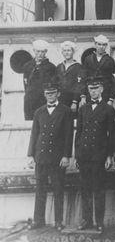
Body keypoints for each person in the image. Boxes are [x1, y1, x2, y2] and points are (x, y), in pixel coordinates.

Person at [27, 83, 73, 231]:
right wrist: (31, 155)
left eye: (53, 93)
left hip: (57, 158)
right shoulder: (39, 112)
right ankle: (38, 220)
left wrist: (66, 155)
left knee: (58, 189)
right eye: (48, 93)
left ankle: (59, 221)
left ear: (58, 94)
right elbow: (34, 134)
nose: (50, 96)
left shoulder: (65, 111)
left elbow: (68, 135)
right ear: (44, 95)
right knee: (40, 189)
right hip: (41, 156)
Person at [75, 77, 115, 232]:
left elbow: (111, 135)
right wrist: (77, 155)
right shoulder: (83, 109)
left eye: (96, 88)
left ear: (102, 89)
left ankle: (99, 221)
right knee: (85, 189)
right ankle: (87, 220)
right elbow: (78, 133)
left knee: (98, 190)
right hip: (84, 156)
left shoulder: (108, 109)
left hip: (99, 156)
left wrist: (109, 156)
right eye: (91, 88)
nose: (93, 91)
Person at [23, 40, 57, 120]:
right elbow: (25, 84)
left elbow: (53, 86)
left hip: (43, 101)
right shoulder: (28, 66)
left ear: (46, 52)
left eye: (42, 52)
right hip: (30, 101)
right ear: (34, 51)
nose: (40, 54)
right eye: (38, 51)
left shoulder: (51, 67)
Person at [82, 35, 115, 105]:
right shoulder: (88, 59)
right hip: (90, 93)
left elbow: (113, 80)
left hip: (105, 94)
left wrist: (111, 98)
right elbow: (84, 77)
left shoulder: (110, 60)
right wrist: (83, 96)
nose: (101, 47)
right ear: (95, 44)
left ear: (106, 46)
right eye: (99, 44)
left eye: (103, 45)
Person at [55, 41, 85, 113]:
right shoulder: (59, 67)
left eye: (69, 50)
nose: (67, 53)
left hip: (72, 100)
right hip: (60, 99)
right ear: (62, 52)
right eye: (64, 51)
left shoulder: (78, 67)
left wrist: (75, 101)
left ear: (73, 52)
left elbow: (79, 85)